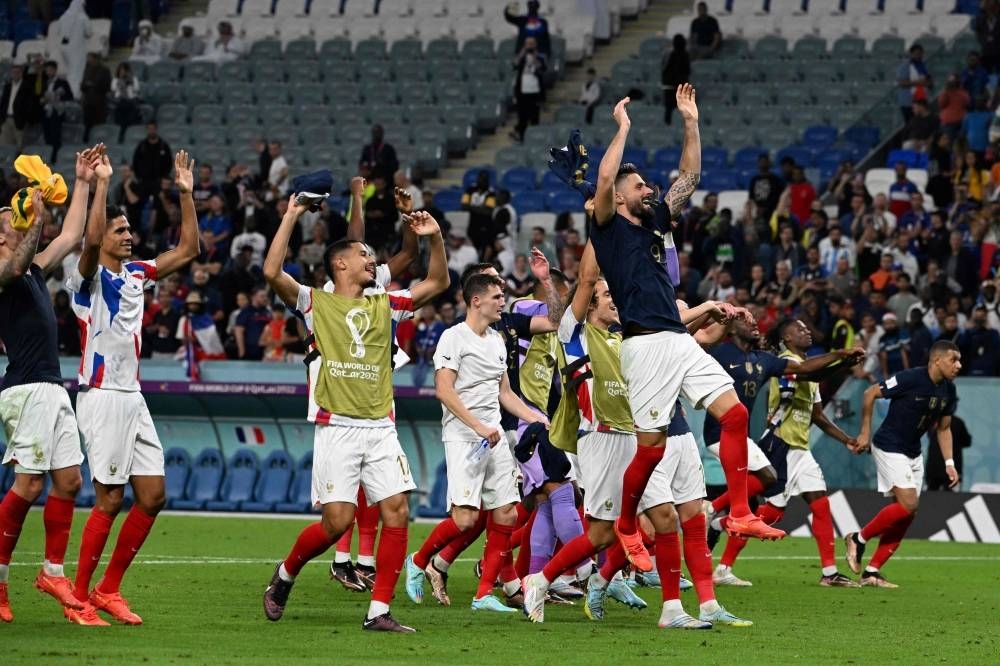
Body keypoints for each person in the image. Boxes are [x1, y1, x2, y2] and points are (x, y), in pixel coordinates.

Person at [572, 89, 786, 574]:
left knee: (732, 416)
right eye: (640, 186)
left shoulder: (653, 225)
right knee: (651, 448)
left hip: (675, 337)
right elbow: (606, 177)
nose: (648, 190)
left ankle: (740, 512)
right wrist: (623, 129)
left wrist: (691, 122)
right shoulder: (607, 227)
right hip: (643, 345)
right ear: (620, 198)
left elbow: (689, 178)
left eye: (648, 185)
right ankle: (627, 523)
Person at [260, 198, 450, 633]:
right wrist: (291, 216)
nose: (373, 260)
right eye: (363, 255)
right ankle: (286, 574)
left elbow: (437, 280)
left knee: (397, 511)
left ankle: (378, 610)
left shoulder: (386, 303)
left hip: (381, 426)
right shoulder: (314, 304)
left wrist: (434, 236)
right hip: (337, 428)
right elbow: (272, 273)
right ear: (339, 265)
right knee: (336, 523)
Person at [65, 149, 200, 625]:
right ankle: (78, 598)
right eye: (121, 231)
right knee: (109, 497)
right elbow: (90, 239)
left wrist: (186, 194)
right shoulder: (86, 277)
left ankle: (108, 589)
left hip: (132, 395)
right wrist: (102, 183)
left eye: (129, 230)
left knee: (153, 496)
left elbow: (188, 251)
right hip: (101, 395)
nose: (129, 236)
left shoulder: (139, 273)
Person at [405, 274, 547, 613]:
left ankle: (483, 594)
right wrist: (479, 426)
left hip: (493, 436)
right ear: (476, 301)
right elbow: (444, 391)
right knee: (466, 520)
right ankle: (420, 559)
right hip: (464, 436)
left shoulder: (498, 340)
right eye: (497, 296)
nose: (503, 301)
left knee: (506, 514)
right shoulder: (453, 337)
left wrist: (534, 417)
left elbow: (505, 393)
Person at [0, 147, 99, 624]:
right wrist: (36, 218)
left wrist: (81, 181)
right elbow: (15, 266)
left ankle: (51, 572)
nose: (14, 219)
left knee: (69, 481)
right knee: (29, 482)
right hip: (25, 388)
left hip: (52, 387)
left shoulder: (35, 266)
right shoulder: (7, 271)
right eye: (8, 220)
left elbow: (75, 234)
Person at [704, 317, 863, 574]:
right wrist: (841, 356)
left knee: (814, 505)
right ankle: (714, 518)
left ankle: (829, 573)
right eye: (799, 329)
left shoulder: (797, 366)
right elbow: (806, 371)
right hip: (780, 441)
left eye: (807, 327)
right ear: (787, 338)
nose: (807, 331)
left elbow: (817, 413)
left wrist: (847, 440)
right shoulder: (788, 361)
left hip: (801, 444)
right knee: (770, 497)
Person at [845, 341, 962, 587]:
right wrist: (864, 433)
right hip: (889, 445)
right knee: (909, 504)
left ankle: (872, 572)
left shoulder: (948, 391)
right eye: (954, 360)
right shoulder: (911, 378)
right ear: (937, 360)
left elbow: (944, 429)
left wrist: (949, 463)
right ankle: (858, 538)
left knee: (907, 514)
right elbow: (870, 393)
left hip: (913, 452)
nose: (958, 365)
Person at [53, 0, 92, 96]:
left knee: (70, 71)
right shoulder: (83, 18)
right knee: (76, 72)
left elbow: (57, 30)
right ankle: (74, 94)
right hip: (77, 49)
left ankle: (67, 92)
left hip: (64, 49)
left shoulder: (63, 16)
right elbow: (89, 33)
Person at [511, 37, 546, 144]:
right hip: (522, 91)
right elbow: (514, 64)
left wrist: (534, 56)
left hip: (535, 91)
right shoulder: (521, 56)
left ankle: (535, 139)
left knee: (534, 116)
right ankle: (522, 138)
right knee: (522, 117)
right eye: (527, 44)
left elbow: (542, 68)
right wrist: (522, 52)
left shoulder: (540, 56)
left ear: (535, 45)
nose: (529, 46)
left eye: (532, 44)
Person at [0, 64, 41, 151]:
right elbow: (3, 103)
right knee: (5, 144)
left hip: (19, 120)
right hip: (6, 119)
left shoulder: (27, 87)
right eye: (13, 72)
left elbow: (30, 105)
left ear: (21, 74)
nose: (15, 74)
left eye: (17, 72)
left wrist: (25, 118)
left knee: (20, 146)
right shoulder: (7, 86)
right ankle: (6, 163)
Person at [39, 60, 74, 163]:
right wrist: (42, 99)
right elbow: (40, 95)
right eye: (47, 70)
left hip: (56, 112)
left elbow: (69, 96)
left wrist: (58, 96)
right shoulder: (45, 82)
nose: (48, 72)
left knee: (55, 136)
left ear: (55, 70)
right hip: (46, 112)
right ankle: (46, 158)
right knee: (47, 135)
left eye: (50, 70)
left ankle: (54, 158)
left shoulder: (62, 82)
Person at [80, 52, 112, 142]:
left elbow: (107, 87)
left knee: (99, 127)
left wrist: (93, 85)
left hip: (99, 104)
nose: (89, 61)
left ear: (96, 59)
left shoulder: (105, 70)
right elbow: (82, 85)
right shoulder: (87, 69)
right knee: (87, 126)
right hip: (88, 103)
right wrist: (86, 85)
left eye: (90, 58)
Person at [896, 44, 931, 122]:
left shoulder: (923, 66)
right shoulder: (905, 66)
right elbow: (901, 83)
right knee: (911, 125)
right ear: (911, 54)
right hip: (908, 102)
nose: (919, 56)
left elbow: (928, 80)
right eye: (917, 54)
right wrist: (917, 82)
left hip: (922, 102)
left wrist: (928, 83)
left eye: (921, 54)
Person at [660, 34, 690, 125]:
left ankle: (668, 125)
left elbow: (664, 70)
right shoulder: (684, 55)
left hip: (670, 86)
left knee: (669, 110)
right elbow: (687, 71)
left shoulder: (671, 55)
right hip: (678, 87)